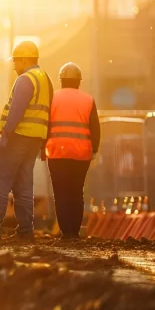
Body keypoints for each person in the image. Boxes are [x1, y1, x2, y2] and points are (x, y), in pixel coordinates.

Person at [0, 40, 54, 242]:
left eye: (16, 61)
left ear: (25, 59)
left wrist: (5, 135)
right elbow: (48, 112)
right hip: (34, 139)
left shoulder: (26, 79)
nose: (14, 65)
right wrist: (44, 141)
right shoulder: (45, 80)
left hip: (18, 136)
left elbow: (16, 111)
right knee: (23, 184)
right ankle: (26, 231)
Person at [45, 62, 101, 240]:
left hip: (56, 152)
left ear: (61, 81)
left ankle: (65, 231)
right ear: (79, 82)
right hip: (81, 153)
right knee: (76, 191)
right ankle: (74, 231)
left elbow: (45, 125)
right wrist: (95, 149)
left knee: (61, 192)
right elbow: (95, 128)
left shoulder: (51, 98)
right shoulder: (88, 100)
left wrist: (41, 146)